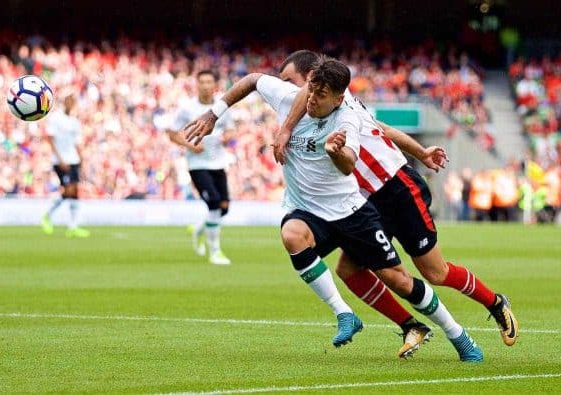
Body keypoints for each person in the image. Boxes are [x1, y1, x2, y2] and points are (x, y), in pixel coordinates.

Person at [185, 57, 482, 361]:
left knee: (399, 280)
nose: (311, 100)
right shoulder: (290, 98)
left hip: (350, 210)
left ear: (339, 99)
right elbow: (251, 80)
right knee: (292, 235)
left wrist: (335, 152)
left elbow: (348, 165)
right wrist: (214, 114)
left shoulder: (347, 119)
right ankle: (344, 313)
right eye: (310, 91)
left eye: (320, 96)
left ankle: (458, 335)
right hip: (310, 212)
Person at [275, 50, 517, 349]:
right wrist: (421, 152)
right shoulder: (316, 110)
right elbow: (382, 128)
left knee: (434, 272)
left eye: (289, 80)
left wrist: (419, 154)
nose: (285, 87)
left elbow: (376, 135)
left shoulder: (341, 104)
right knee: (349, 270)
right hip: (362, 202)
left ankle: (494, 303)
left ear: (312, 79)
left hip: (395, 189)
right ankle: (411, 325)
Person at [161, 70, 235, 265]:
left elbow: (230, 130)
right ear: (197, 85)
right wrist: (189, 145)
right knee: (214, 203)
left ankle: (199, 229)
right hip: (197, 164)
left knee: (224, 207)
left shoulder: (222, 106)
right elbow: (172, 133)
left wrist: (227, 137)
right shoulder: (187, 107)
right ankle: (215, 251)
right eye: (201, 82)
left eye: (209, 81)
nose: (205, 85)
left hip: (218, 163)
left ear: (215, 85)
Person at [41, 94, 90, 238]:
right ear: (65, 102)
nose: (71, 104)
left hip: (73, 159)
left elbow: (77, 143)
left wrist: (82, 161)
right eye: (70, 101)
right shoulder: (56, 118)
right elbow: (50, 138)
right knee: (68, 190)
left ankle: (73, 226)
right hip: (60, 160)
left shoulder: (75, 122)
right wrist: (60, 159)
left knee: (74, 192)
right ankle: (47, 216)